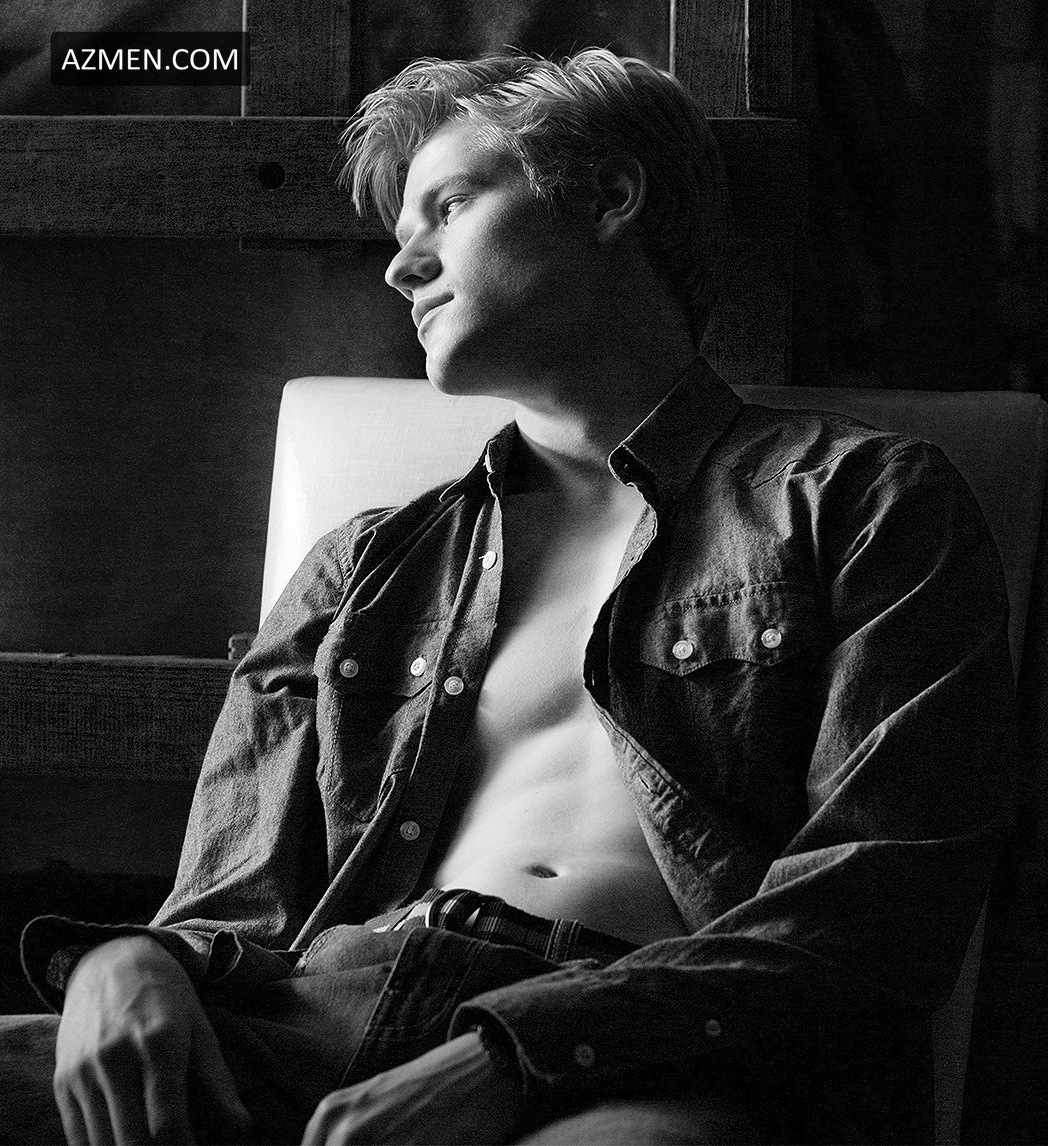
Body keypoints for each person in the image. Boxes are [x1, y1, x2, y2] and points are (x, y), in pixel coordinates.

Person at [2, 49, 1015, 1145]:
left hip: (659, 1057)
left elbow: (881, 903)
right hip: (315, 1019)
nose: (401, 269)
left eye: (447, 206)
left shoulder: (861, 499)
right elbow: (230, 906)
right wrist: (126, 960)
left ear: (609, 197)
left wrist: (515, 1053)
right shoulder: (363, 566)